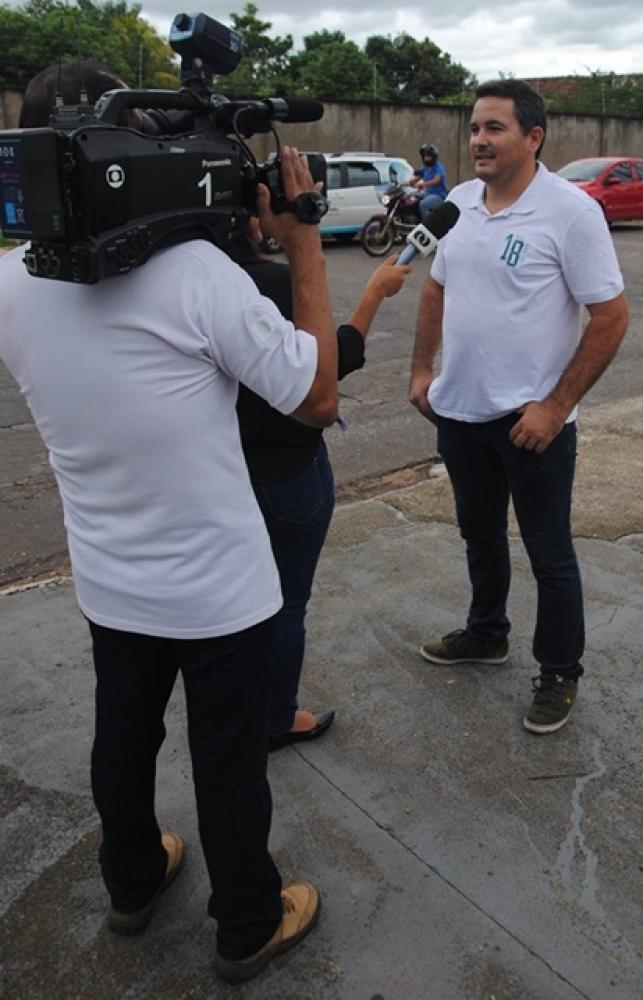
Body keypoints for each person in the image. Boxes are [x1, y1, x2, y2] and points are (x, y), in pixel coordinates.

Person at [1, 61, 340, 984]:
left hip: (111, 580)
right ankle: (246, 924)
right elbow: (313, 396)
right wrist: (302, 240)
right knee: (227, 761)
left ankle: (134, 881)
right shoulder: (196, 274)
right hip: (220, 590)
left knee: (124, 737)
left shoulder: (13, 285)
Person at [409, 79, 629, 734]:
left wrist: (557, 405)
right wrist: (422, 370)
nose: (478, 139)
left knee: (548, 550)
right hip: (459, 414)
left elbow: (611, 317)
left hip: (531, 424)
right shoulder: (456, 203)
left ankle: (559, 670)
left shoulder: (569, 213)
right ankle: (486, 633)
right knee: (478, 534)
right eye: (475, 127)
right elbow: (434, 291)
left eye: (494, 128)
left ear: (533, 138)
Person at [228, 221, 410, 750]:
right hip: (285, 476)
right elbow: (324, 379)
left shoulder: (169, 283)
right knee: (283, 604)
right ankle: (273, 717)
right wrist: (373, 293)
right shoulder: (268, 284)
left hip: (212, 475)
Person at [410, 143, 448, 221]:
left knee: (423, 204)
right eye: (425, 156)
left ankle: (427, 227)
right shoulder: (425, 168)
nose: (426, 158)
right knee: (410, 199)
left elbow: (436, 181)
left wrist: (421, 184)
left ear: (433, 157)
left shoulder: (439, 167)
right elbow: (417, 178)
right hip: (427, 194)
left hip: (439, 196)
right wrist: (408, 183)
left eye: (428, 157)